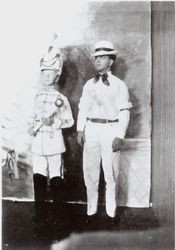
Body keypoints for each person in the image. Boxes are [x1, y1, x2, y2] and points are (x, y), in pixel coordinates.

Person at [77, 40, 132, 225]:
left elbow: (124, 111)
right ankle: (91, 211)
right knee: (90, 172)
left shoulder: (119, 85)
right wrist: (80, 129)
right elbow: (83, 108)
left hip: (111, 129)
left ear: (111, 61)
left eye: (102, 57)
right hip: (91, 129)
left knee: (111, 174)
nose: (98, 60)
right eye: (96, 57)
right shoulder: (88, 84)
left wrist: (120, 134)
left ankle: (111, 213)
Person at [28, 34, 74, 229]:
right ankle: (40, 212)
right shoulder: (36, 97)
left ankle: (58, 213)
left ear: (57, 76)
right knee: (38, 174)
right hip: (38, 142)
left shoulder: (61, 99)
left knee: (56, 175)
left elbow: (69, 121)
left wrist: (54, 121)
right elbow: (30, 118)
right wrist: (31, 125)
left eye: (51, 74)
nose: (47, 77)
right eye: (44, 73)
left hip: (55, 143)